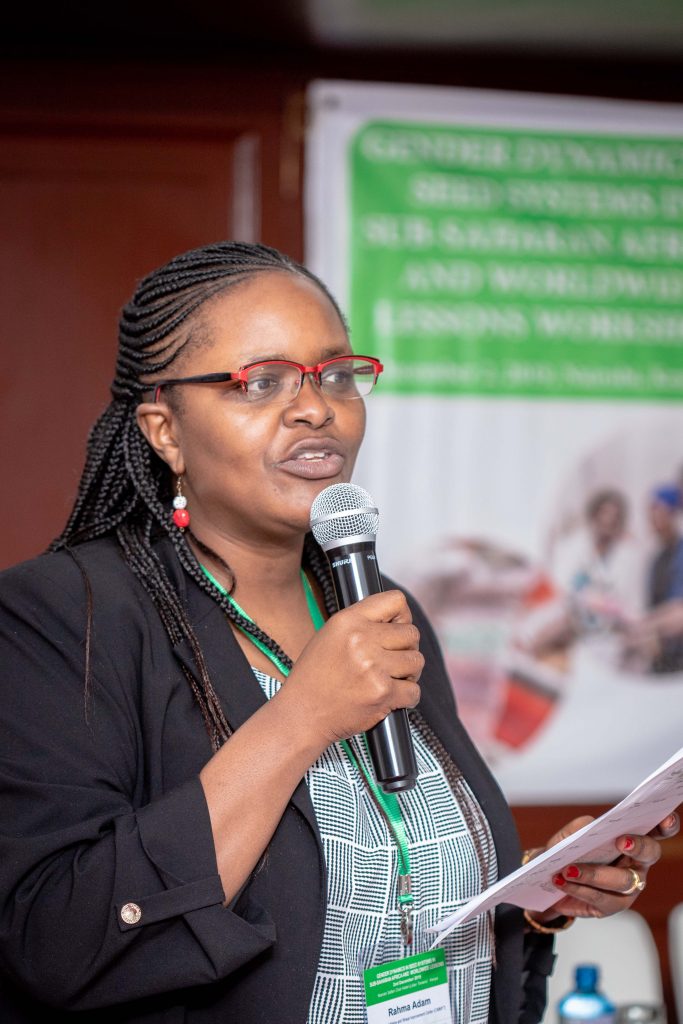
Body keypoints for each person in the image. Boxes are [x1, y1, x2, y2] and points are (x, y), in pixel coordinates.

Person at [0, 241, 677, 1024]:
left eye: (335, 374)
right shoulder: (61, 618)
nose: (316, 406)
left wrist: (534, 890)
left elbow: (374, 900)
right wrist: (300, 716)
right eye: (261, 382)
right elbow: (55, 942)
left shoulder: (377, 604)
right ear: (165, 430)